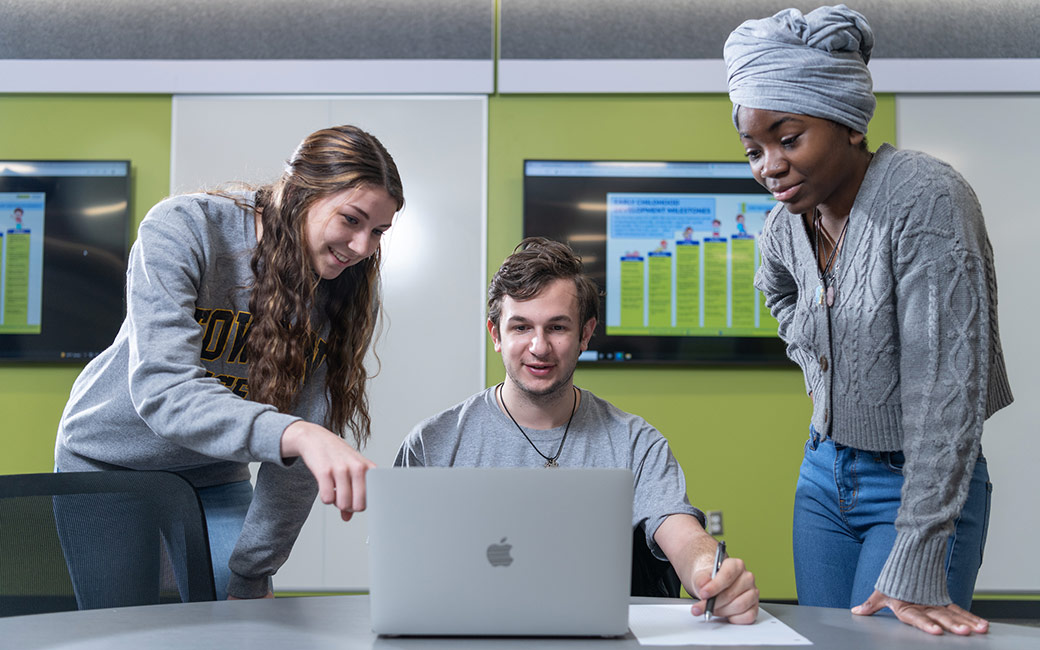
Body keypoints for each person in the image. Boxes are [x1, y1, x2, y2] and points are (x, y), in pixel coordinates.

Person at [724, 5, 1013, 636]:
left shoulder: (925, 198)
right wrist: (813, 351)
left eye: (788, 138)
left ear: (849, 123)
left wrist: (919, 549)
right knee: (824, 640)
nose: (768, 165)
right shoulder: (784, 225)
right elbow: (777, 293)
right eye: (753, 148)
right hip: (822, 476)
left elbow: (949, 392)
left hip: (916, 479)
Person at [54, 124, 404, 602]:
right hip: (109, 462)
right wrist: (296, 433)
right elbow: (165, 392)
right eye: (351, 220)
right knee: (123, 631)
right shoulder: (185, 228)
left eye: (378, 231)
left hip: (212, 472)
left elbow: (299, 457)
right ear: (301, 193)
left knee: (240, 624)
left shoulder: (339, 285)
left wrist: (252, 572)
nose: (363, 247)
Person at [395, 237, 760, 624]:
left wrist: (710, 573)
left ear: (585, 334)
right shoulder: (432, 444)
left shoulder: (635, 443)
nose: (539, 346)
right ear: (496, 335)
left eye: (557, 327)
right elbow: (401, 564)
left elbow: (682, 535)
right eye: (521, 327)